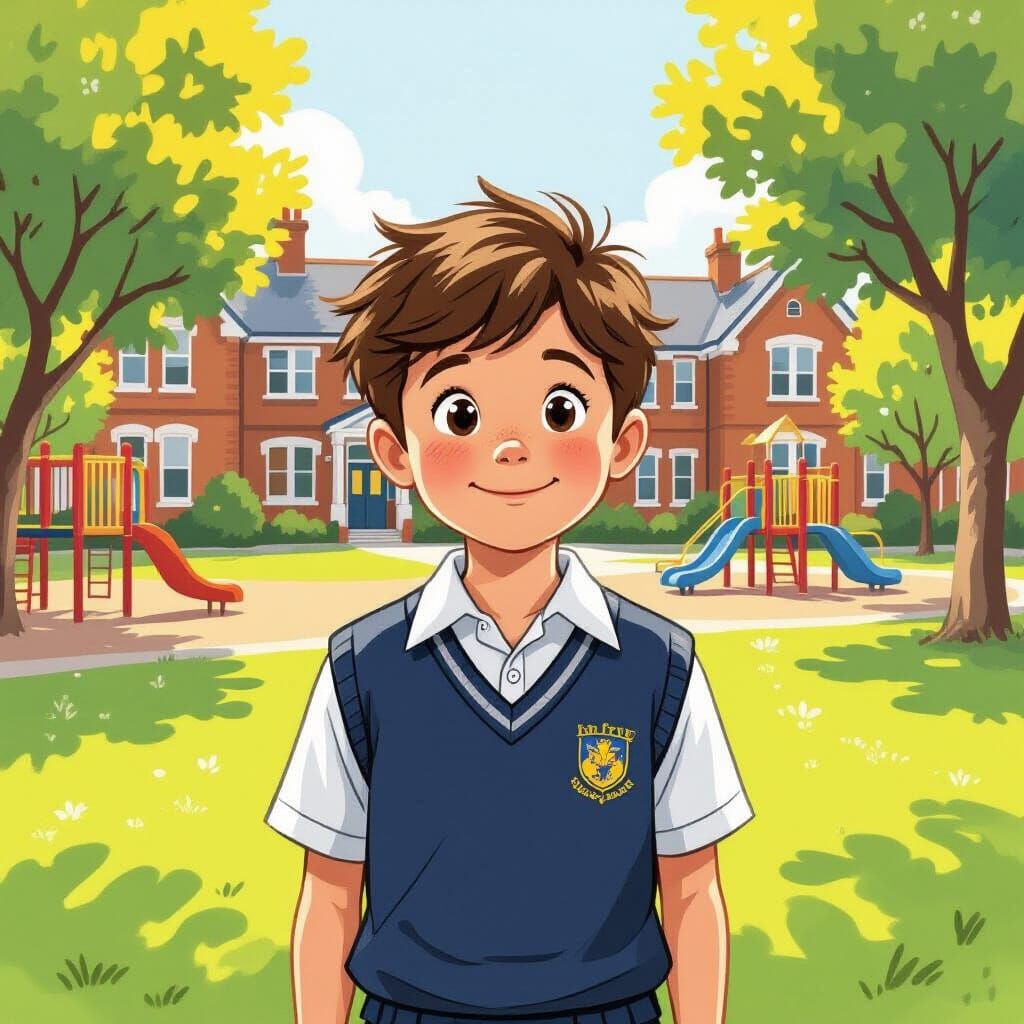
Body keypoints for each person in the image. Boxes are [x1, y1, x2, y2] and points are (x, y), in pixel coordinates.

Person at [266, 178, 753, 1024]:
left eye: (560, 406)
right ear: (394, 450)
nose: (514, 446)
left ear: (623, 441)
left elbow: (695, 891)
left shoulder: (660, 670)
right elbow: (329, 897)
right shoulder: (361, 670)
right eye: (461, 412)